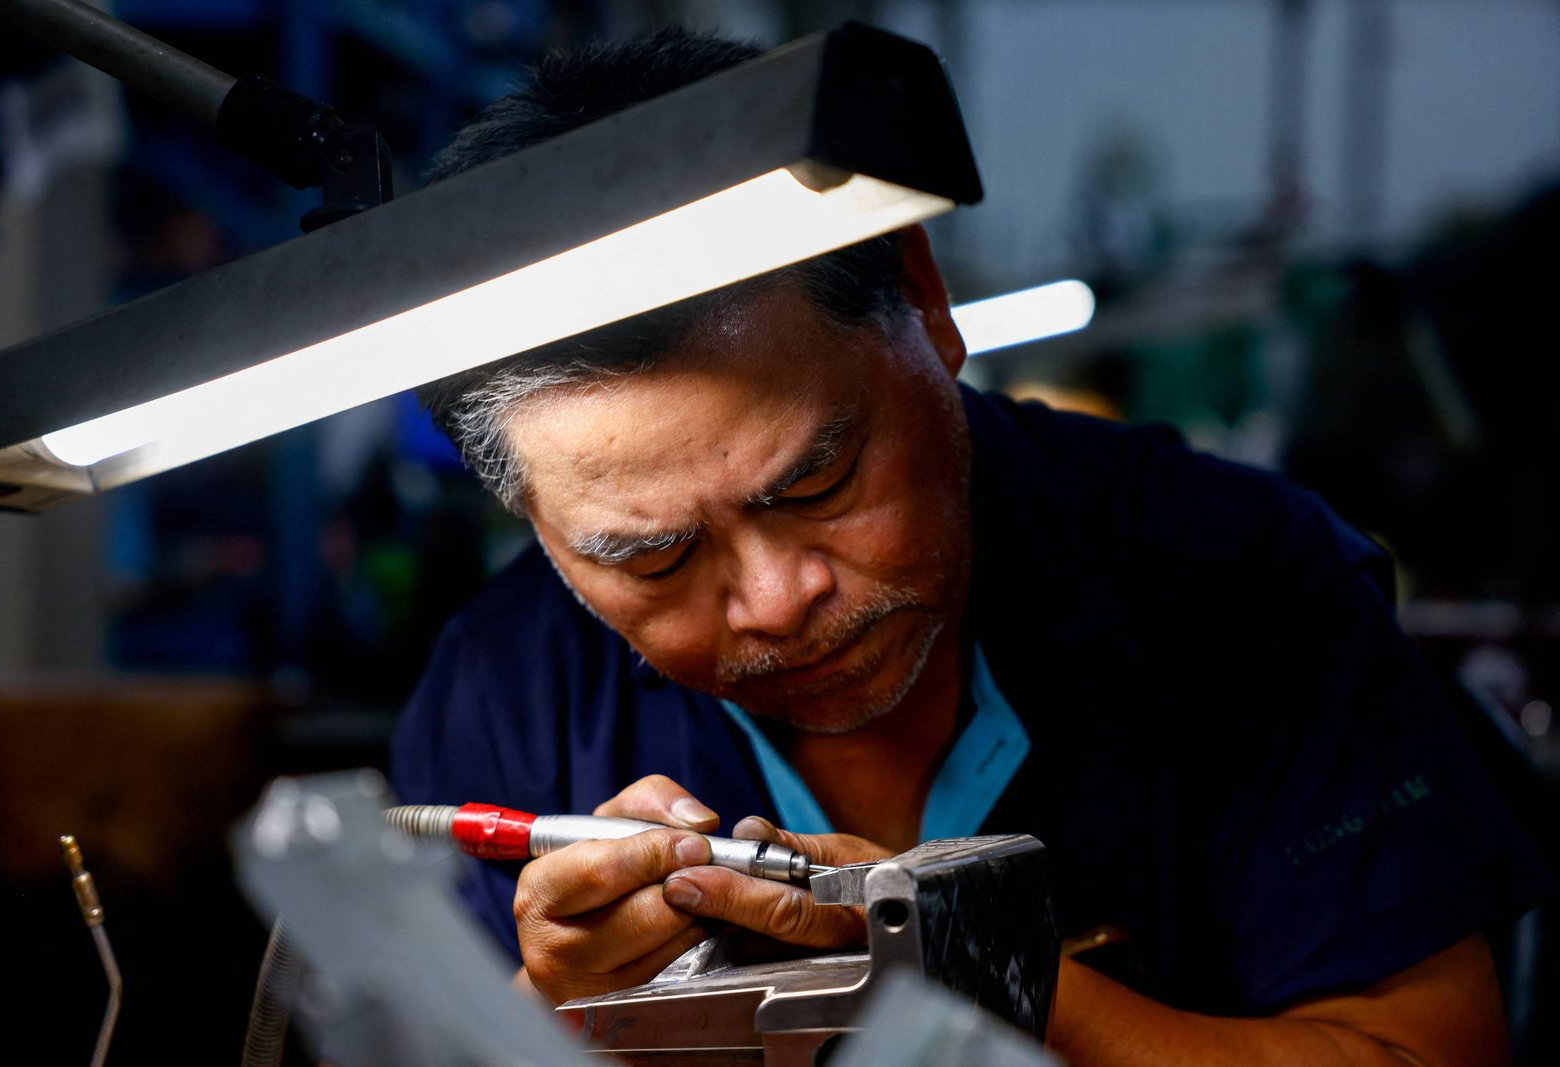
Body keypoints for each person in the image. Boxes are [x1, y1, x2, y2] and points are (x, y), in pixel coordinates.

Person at [391, 27, 1546, 1066]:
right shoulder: (508, 688)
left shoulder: (1240, 583)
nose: (777, 599)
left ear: (926, 304)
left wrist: (985, 978)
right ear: (536, 526)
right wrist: (556, 1024)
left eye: (820, 481)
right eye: (653, 559)